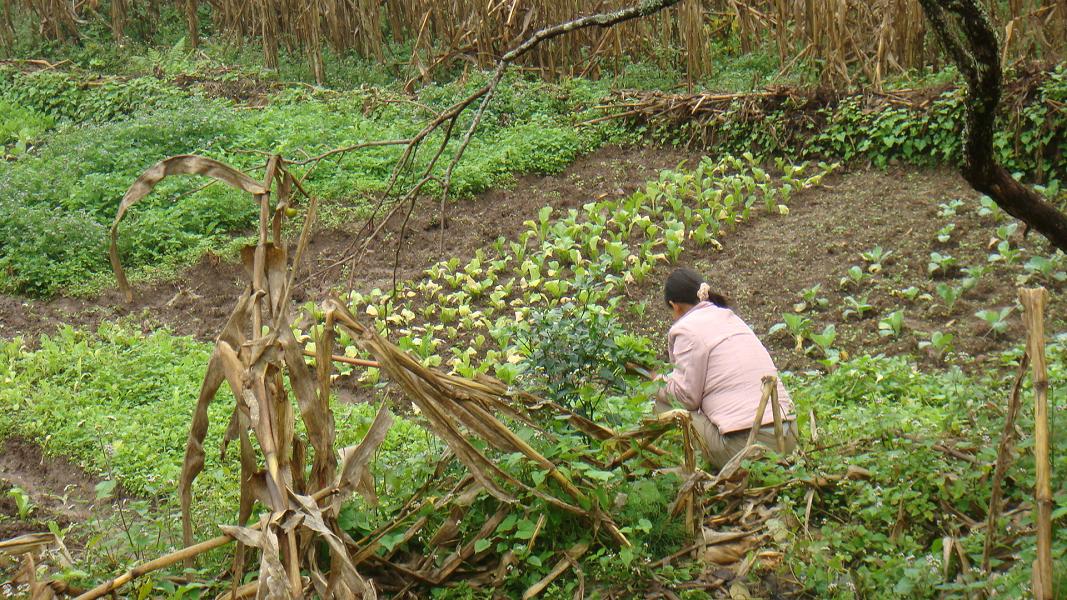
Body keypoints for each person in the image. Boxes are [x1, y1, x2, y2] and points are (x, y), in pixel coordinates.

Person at [653, 267, 797, 469]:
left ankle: (681, 468)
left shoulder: (686, 330)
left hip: (747, 448)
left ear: (674, 306)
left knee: (663, 403)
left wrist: (655, 381)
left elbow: (685, 399)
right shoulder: (731, 318)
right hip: (788, 437)